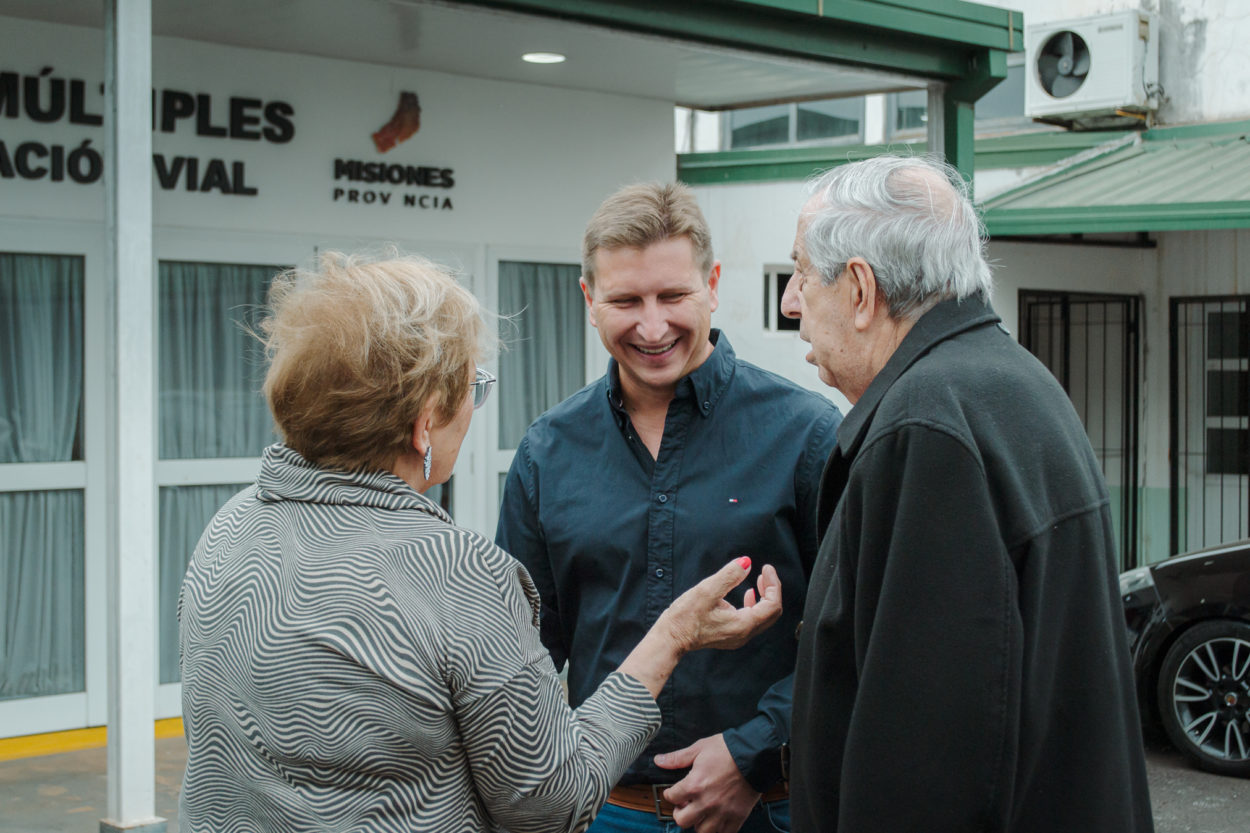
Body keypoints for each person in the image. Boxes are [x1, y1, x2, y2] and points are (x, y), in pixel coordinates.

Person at [177, 252, 785, 833]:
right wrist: (671, 637)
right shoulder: (455, 573)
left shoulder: (231, 527)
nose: (473, 409)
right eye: (472, 387)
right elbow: (554, 804)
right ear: (423, 425)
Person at [781, 155, 1155, 832]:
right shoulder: (1009, 383)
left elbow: (925, 760)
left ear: (861, 291)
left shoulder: (926, 429)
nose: (790, 301)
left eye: (802, 274)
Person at [497, 183, 842, 833]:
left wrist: (751, 753)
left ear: (712, 284)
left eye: (673, 296)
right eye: (626, 300)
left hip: (768, 809)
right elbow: (521, 655)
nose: (652, 327)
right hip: (604, 813)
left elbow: (854, 632)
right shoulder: (546, 452)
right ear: (589, 301)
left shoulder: (807, 434)